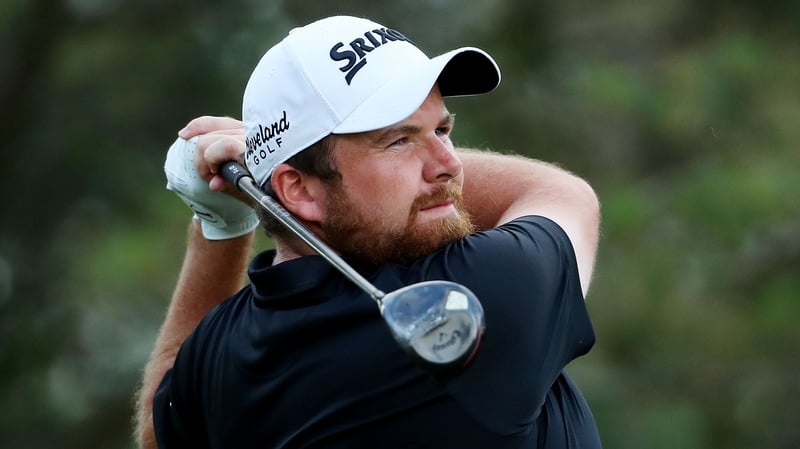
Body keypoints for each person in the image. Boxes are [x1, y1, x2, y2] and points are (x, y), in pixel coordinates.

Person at [134, 15, 602, 449]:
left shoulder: (223, 349)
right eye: (398, 141)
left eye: (441, 130)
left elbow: (163, 429)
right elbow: (562, 193)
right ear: (298, 189)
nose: (450, 165)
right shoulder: (475, 292)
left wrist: (223, 220)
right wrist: (262, 170)